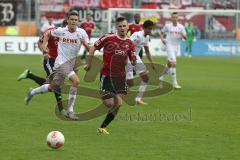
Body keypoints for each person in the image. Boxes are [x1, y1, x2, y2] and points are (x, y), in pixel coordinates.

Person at [25, 11, 90, 120]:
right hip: (60, 62)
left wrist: (87, 47)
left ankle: (32, 91)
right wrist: (45, 46)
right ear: (68, 20)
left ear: (77, 21)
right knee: (76, 81)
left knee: (52, 87)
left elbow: (89, 47)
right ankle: (70, 111)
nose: (73, 22)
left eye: (75, 20)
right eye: (72, 19)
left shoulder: (82, 33)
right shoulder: (61, 31)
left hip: (70, 63)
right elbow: (47, 34)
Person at [84, 17, 136, 134]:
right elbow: (93, 48)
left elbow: (132, 59)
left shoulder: (130, 43)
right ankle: (105, 92)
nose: (122, 28)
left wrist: (133, 61)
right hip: (107, 75)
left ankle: (102, 127)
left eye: (124, 26)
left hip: (120, 77)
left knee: (118, 104)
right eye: (120, 26)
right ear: (116, 27)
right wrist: (88, 63)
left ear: (128, 27)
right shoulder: (108, 38)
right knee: (109, 104)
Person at [17, 20, 68, 112]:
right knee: (56, 84)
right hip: (50, 60)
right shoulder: (52, 31)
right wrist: (44, 52)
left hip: (60, 62)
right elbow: (40, 42)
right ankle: (61, 109)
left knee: (51, 86)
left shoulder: (71, 36)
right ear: (62, 26)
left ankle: (30, 79)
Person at [126, 20, 155, 105]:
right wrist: (131, 57)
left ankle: (138, 99)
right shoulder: (137, 35)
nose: (150, 30)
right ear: (144, 28)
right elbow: (128, 45)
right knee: (130, 83)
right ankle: (114, 92)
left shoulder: (147, 37)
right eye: (149, 29)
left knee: (145, 78)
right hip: (128, 57)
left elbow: (147, 50)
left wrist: (152, 63)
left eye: (151, 29)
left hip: (136, 57)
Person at [159, 12, 187, 89]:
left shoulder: (181, 27)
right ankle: (174, 83)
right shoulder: (168, 26)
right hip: (169, 45)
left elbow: (185, 38)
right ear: (171, 18)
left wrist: (183, 35)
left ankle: (160, 78)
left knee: (169, 64)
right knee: (174, 63)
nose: (174, 19)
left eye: (176, 17)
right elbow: (161, 32)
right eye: (173, 17)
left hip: (176, 47)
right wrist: (162, 39)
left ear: (178, 18)